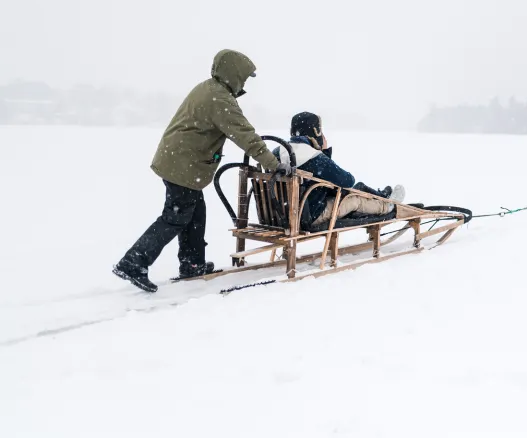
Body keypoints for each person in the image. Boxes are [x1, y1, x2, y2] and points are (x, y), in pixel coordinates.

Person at [112, 50, 290, 293]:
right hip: (183, 165)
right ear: (234, 74)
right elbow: (245, 135)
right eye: (244, 78)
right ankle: (134, 262)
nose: (245, 83)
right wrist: (273, 164)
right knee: (175, 217)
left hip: (180, 162)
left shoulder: (209, 89)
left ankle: (192, 263)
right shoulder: (219, 99)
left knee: (195, 213)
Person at [275, 112, 404, 227]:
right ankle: (387, 206)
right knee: (355, 199)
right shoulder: (313, 157)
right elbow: (347, 181)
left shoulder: (276, 152)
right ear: (315, 132)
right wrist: (323, 152)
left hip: (279, 215)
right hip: (308, 216)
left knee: (352, 190)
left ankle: (381, 196)